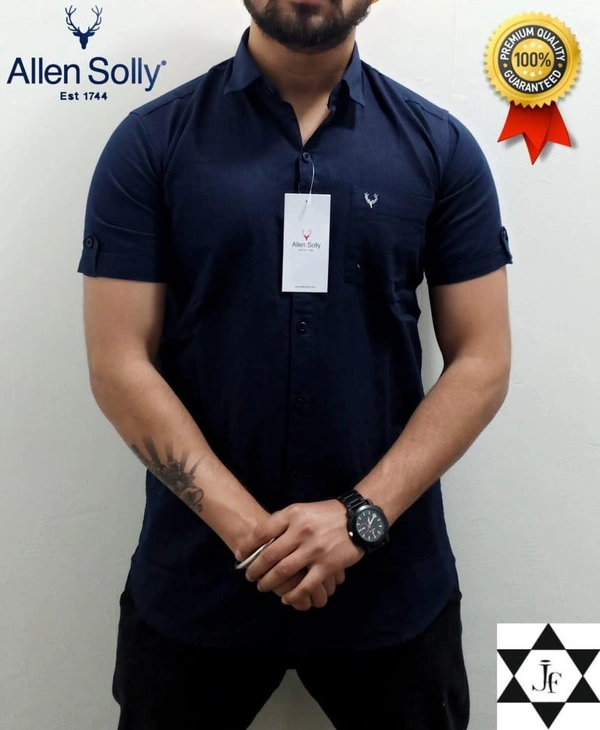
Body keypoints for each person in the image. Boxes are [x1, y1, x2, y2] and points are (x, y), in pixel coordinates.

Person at [77, 1, 513, 728]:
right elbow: (119, 363)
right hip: (198, 580)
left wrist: (359, 518)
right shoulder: (151, 141)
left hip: (389, 583)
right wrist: (255, 539)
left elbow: (483, 360)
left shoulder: (440, 147)